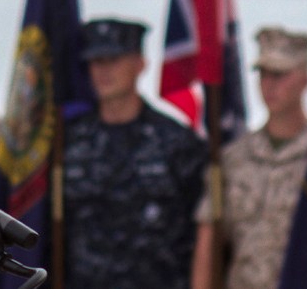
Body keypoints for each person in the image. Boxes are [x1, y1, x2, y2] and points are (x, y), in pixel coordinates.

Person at [62, 17, 207, 288]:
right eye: (96, 61)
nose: (103, 71)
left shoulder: (179, 144)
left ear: (141, 64)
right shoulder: (68, 141)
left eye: (114, 60)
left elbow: (204, 233)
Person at [191, 26, 307, 289]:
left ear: (305, 79)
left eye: (280, 75)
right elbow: (209, 242)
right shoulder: (233, 159)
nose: (269, 85)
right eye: (263, 74)